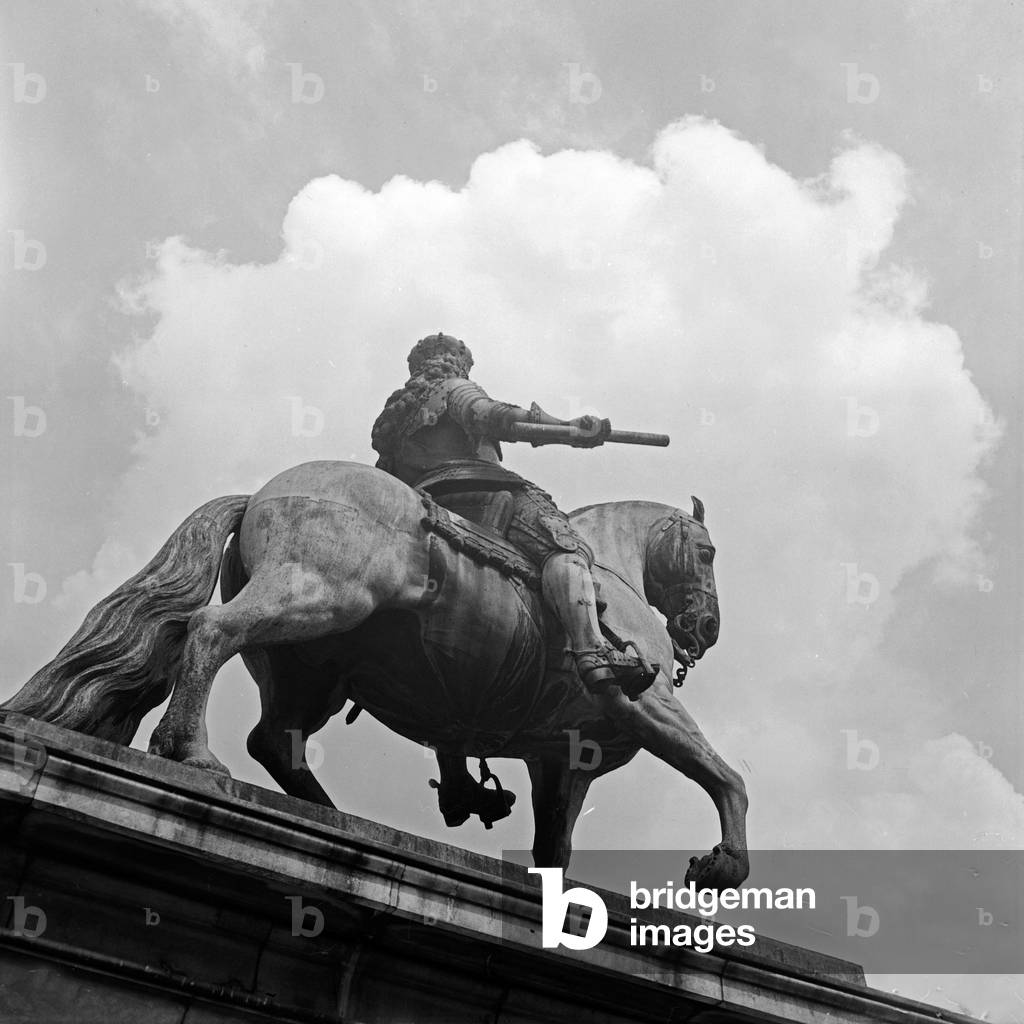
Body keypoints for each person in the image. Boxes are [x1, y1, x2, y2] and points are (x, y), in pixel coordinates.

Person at [371, 332, 650, 696]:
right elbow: (493, 417)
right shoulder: (452, 389)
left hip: (425, 504)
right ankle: (592, 650)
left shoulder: (396, 417)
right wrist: (569, 429)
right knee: (566, 547)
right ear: (455, 362)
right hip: (479, 490)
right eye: (463, 363)